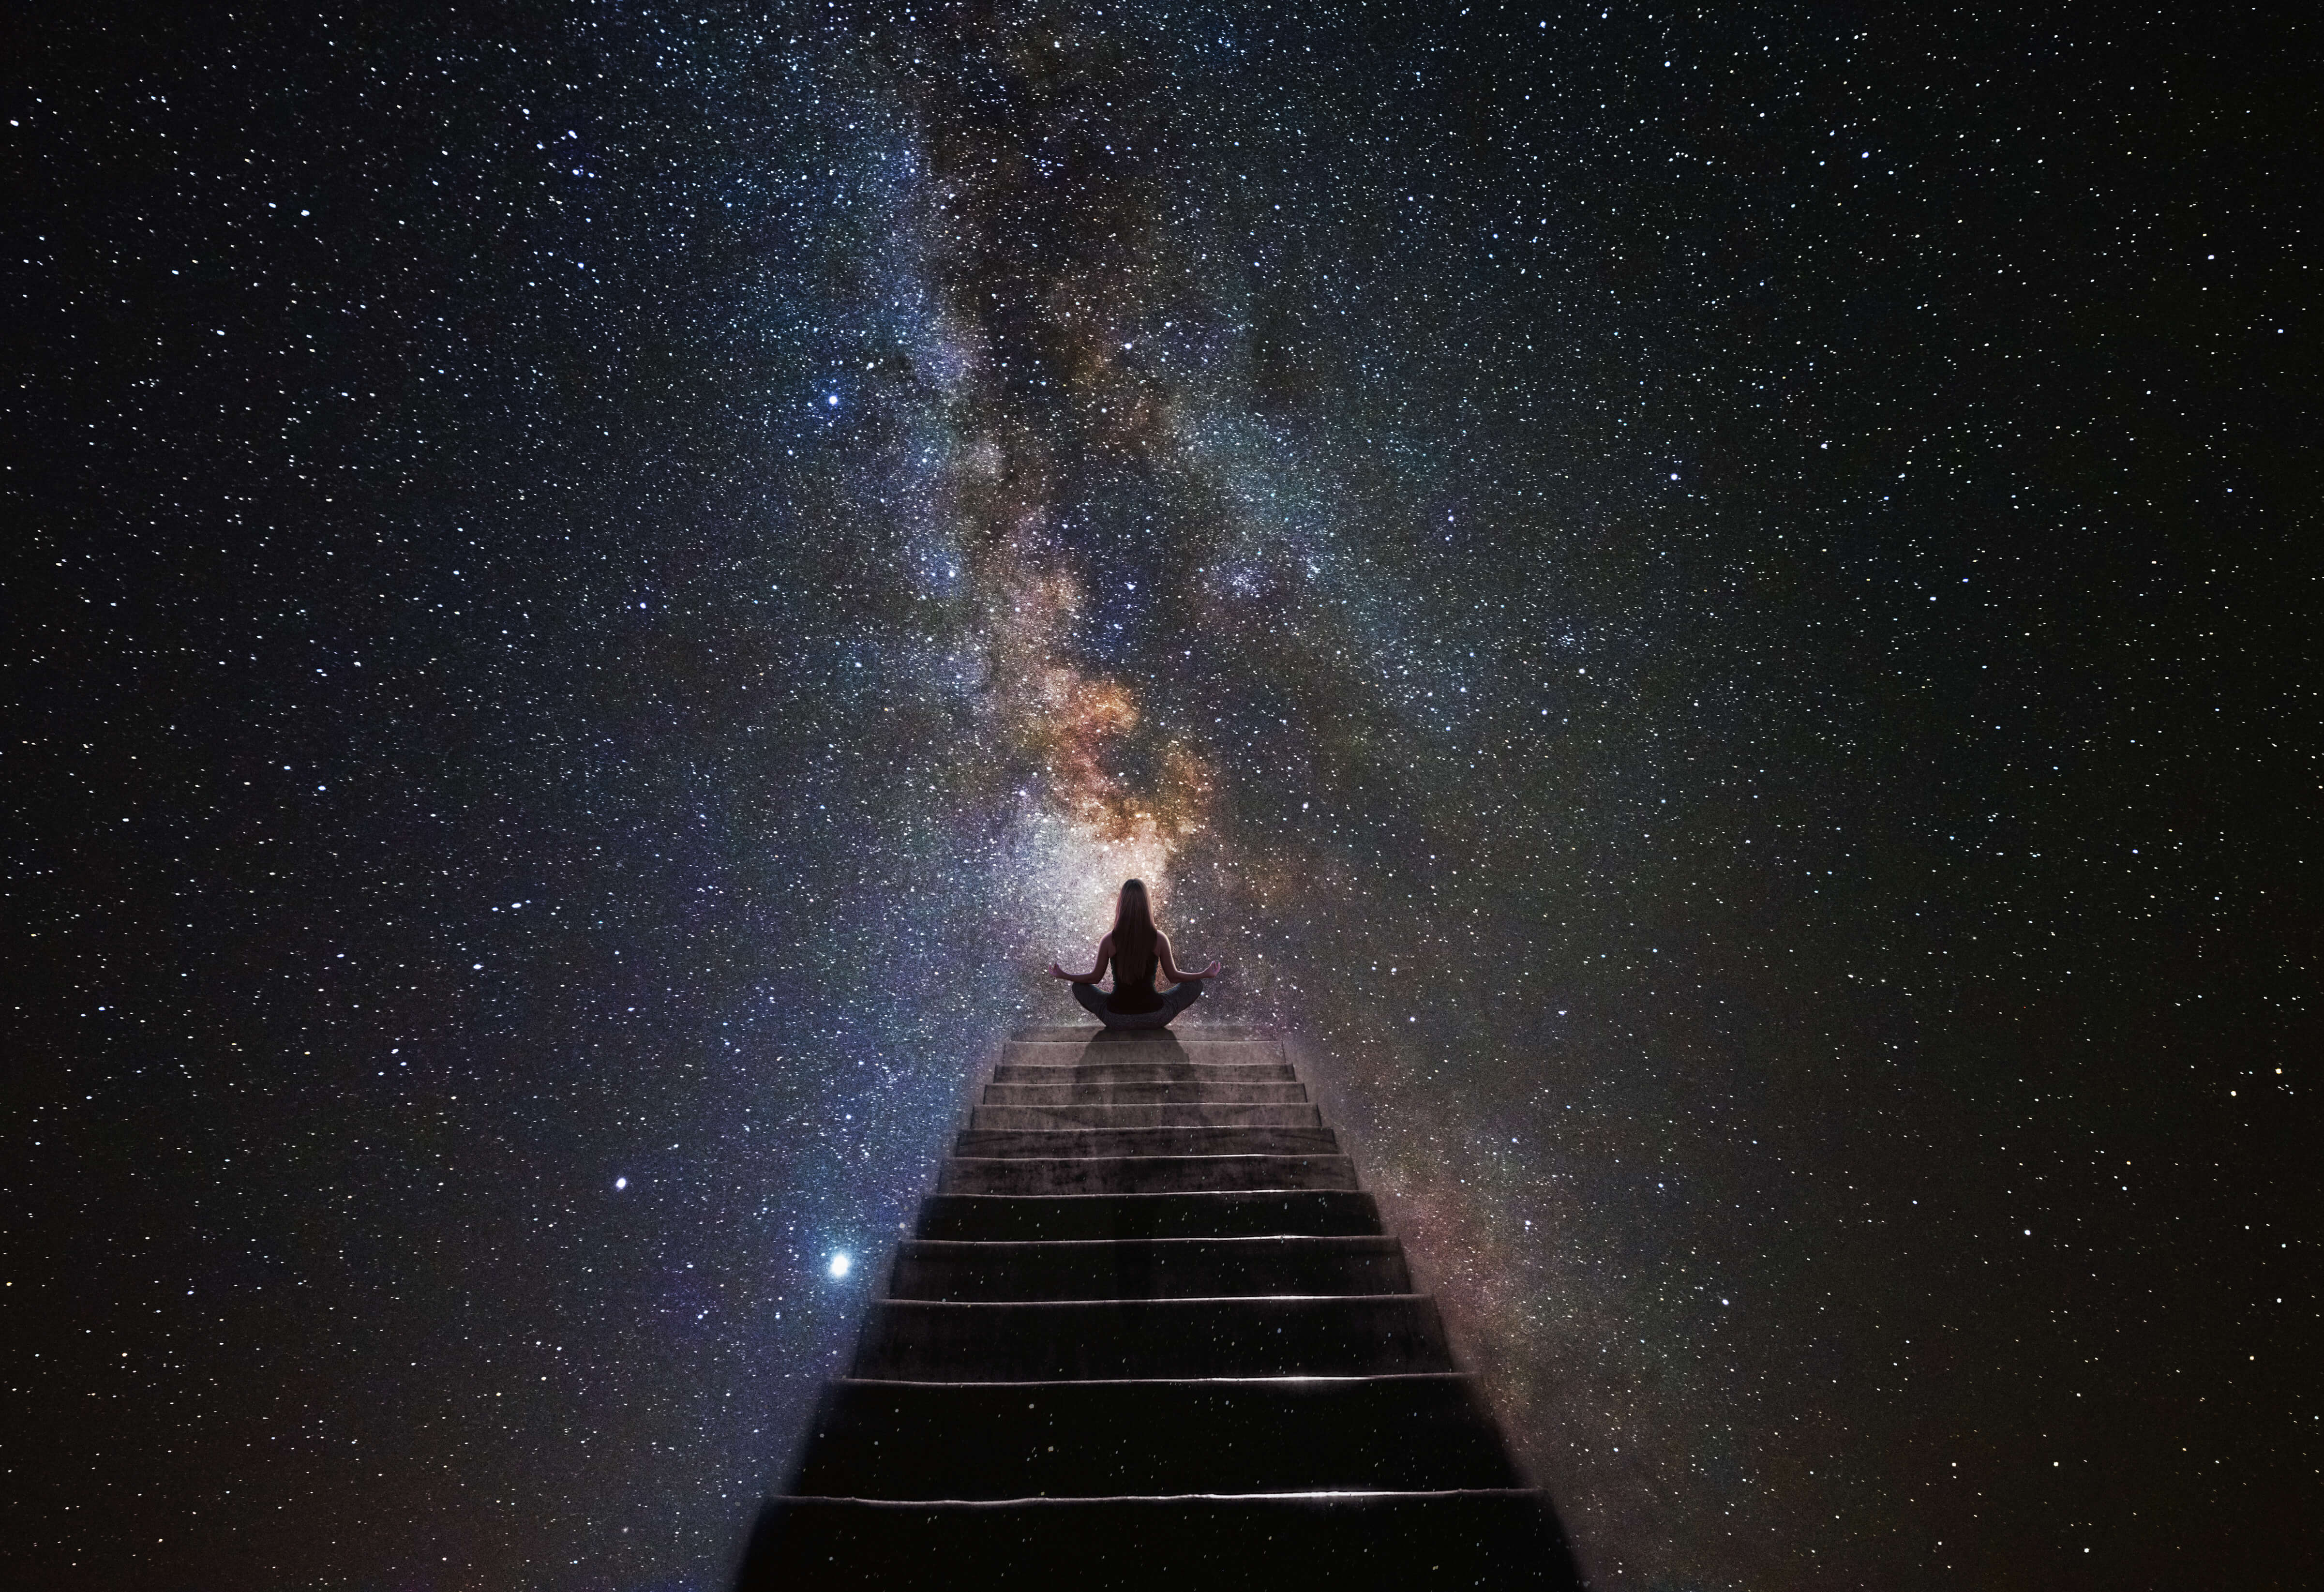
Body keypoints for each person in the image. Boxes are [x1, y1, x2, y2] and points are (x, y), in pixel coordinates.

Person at [1045, 878, 1222, 1030]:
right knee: (1195, 984)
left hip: (1116, 1019)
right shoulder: (1159, 938)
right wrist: (1204, 974)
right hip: (1156, 1017)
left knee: (1078, 986)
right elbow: (1174, 977)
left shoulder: (1109, 940)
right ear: (1147, 905)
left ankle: (1120, 1014)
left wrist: (1064, 975)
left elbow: (1094, 978)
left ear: (1121, 904)